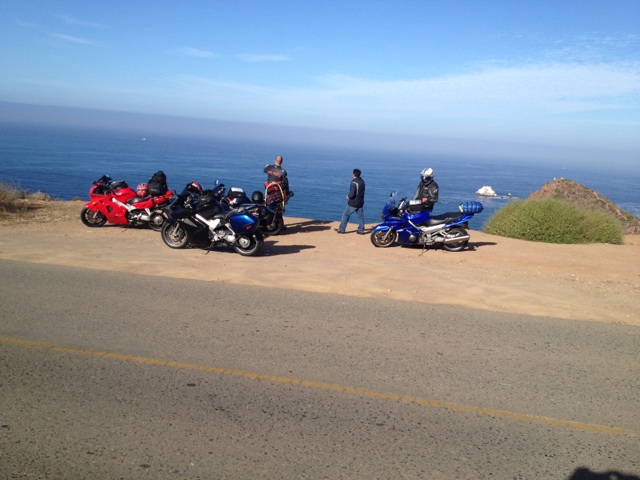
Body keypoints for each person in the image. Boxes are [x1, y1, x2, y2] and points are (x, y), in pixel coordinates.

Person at [336, 168, 366, 234]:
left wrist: (348, 196)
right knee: (360, 216)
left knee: (346, 214)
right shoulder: (362, 181)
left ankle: (341, 229)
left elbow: (352, 194)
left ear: (353, 174)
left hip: (353, 203)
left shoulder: (353, 182)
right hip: (360, 202)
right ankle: (361, 230)